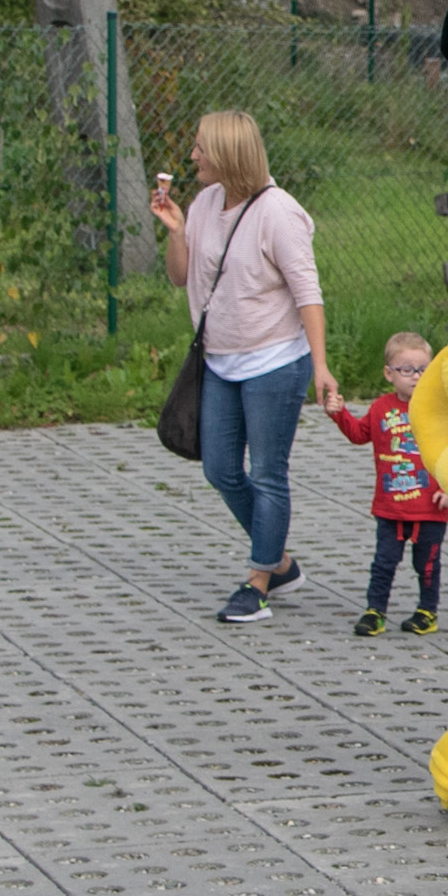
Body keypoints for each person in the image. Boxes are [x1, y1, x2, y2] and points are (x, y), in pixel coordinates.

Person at [164, 110, 338, 622]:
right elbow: (180, 277)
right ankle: (279, 561)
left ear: (228, 153)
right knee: (219, 468)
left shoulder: (278, 212)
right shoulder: (203, 203)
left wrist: (321, 366)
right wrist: (176, 231)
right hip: (219, 361)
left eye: (201, 147)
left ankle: (257, 583)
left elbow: (308, 293)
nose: (193, 156)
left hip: (275, 362)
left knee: (267, 473)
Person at [330, 330, 448, 636]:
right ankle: (375, 610)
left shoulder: (439, 408)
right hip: (390, 507)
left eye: (423, 369)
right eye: (407, 370)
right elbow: (359, 434)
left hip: (429, 507)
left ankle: (427, 611)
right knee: (384, 562)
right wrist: (339, 414)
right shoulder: (381, 408)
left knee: (427, 564)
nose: (416, 377)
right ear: (389, 373)